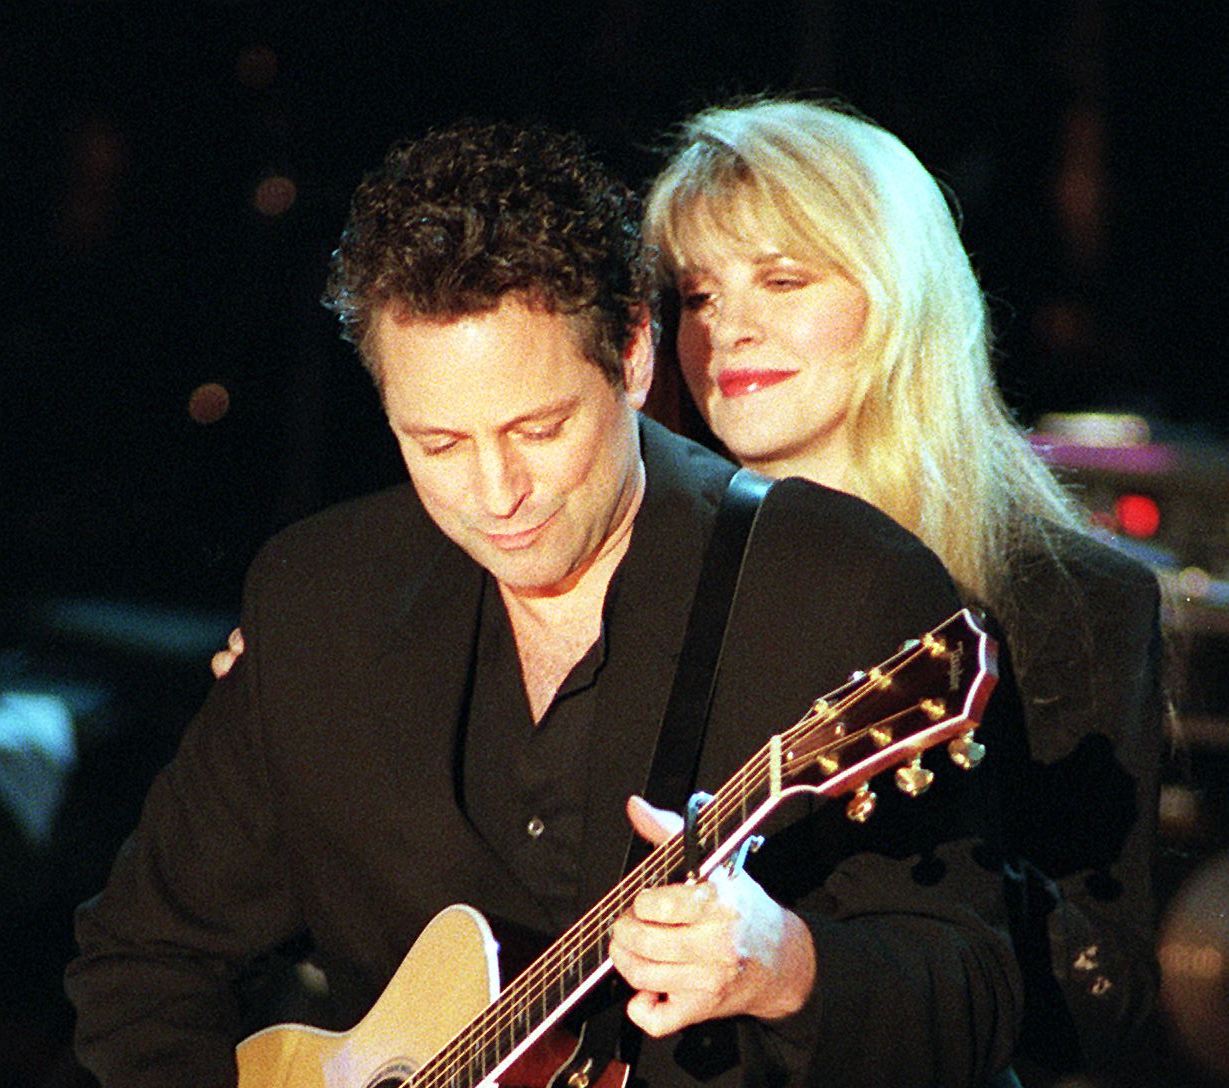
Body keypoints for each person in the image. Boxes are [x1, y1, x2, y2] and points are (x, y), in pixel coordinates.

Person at [66, 119, 1024, 1088]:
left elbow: (976, 998)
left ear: (635, 355)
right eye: (436, 443)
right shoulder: (319, 595)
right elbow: (145, 958)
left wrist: (784, 964)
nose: (495, 491)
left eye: (538, 427)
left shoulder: (838, 583)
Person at [641, 98, 1165, 1086]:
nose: (728, 329)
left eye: (783, 278)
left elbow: (1107, 998)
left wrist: (855, 930)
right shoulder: (644, 575)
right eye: (697, 294)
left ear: (896, 294)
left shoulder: (1069, 598)